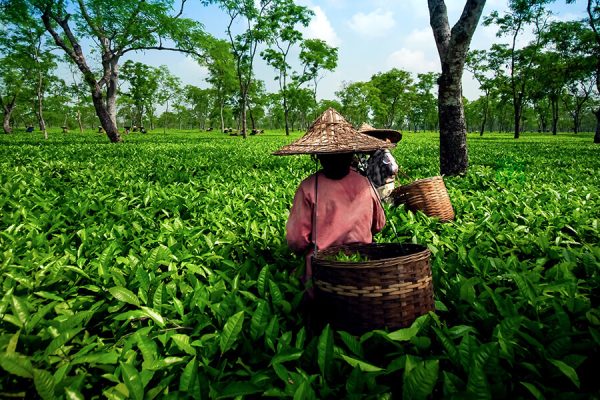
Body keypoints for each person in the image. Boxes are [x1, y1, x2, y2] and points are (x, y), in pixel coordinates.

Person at [273, 108, 394, 289]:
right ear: (351, 154)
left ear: (318, 156)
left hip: (322, 272)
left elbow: (296, 239)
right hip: (361, 267)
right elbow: (379, 225)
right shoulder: (365, 184)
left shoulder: (308, 187)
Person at [356, 123, 402, 203]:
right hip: (375, 192)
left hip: (384, 193)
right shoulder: (371, 158)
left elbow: (393, 168)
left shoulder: (384, 153)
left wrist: (389, 177)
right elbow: (367, 172)